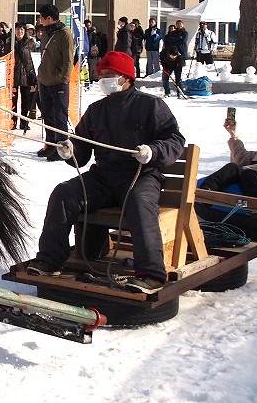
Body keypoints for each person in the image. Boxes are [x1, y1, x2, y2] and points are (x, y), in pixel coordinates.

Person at [19, 51, 186, 293]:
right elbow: (83, 149)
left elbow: (175, 139)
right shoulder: (96, 110)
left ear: (127, 77)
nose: (104, 79)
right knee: (64, 193)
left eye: (110, 75)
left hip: (141, 176)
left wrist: (153, 151)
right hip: (104, 177)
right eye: (103, 75)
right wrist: (70, 149)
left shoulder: (151, 105)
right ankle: (49, 259)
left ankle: (150, 273)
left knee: (140, 203)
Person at [35, 4, 76, 160]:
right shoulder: (46, 33)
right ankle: (50, 145)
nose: (39, 20)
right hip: (44, 81)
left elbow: (68, 59)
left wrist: (63, 79)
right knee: (48, 115)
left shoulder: (64, 34)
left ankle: (61, 149)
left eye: (41, 17)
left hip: (58, 82)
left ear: (49, 18)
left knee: (59, 117)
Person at [11, 23, 38, 132]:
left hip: (26, 76)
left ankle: (24, 122)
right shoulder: (10, 42)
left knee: (26, 102)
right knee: (13, 101)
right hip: (13, 75)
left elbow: (33, 59)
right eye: (17, 29)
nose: (19, 32)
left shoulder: (30, 43)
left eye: (21, 29)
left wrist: (33, 74)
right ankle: (12, 121)